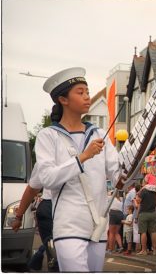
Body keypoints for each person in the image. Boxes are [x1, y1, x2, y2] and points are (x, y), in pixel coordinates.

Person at [35, 67, 120, 271]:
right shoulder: (48, 136)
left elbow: (118, 176)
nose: (87, 97)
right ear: (63, 100)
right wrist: (83, 157)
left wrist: (136, 161)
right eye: (80, 92)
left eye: (88, 92)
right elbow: (47, 178)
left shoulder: (99, 133)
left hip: (98, 224)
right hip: (68, 225)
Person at [12, 163, 59, 271]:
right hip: (52, 208)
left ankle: (40, 256)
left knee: (56, 255)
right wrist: (18, 216)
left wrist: (18, 217)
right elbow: (33, 188)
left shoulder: (48, 153)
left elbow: (32, 189)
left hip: (50, 208)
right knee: (58, 256)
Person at [138, 176, 156, 255]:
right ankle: (155, 250)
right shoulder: (155, 190)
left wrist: (137, 196)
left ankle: (144, 250)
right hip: (153, 212)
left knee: (143, 232)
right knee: (153, 232)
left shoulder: (144, 190)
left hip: (143, 213)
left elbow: (138, 200)